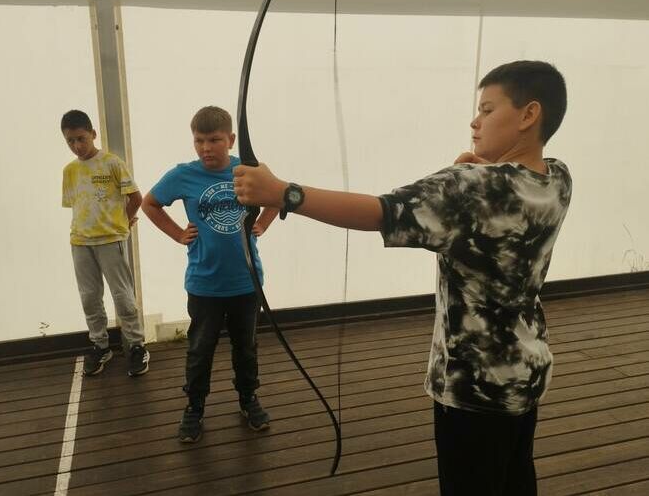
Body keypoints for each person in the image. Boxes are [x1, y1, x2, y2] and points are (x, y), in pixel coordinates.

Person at [233, 61, 571, 496]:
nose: (475, 121)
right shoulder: (558, 178)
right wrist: (480, 171)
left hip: (473, 388)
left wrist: (283, 194)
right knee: (515, 477)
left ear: (529, 115)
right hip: (526, 372)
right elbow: (502, 198)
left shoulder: (471, 186)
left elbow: (383, 212)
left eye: (487, 110)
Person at [141, 106, 279, 443]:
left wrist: (262, 223)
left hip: (246, 281)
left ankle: (248, 399)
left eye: (214, 140)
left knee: (246, 346)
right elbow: (149, 203)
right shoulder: (183, 175)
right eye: (199, 140)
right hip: (204, 284)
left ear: (230, 139)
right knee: (200, 349)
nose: (206, 148)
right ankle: (194, 407)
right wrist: (177, 234)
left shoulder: (249, 170)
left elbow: (278, 197)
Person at [61, 109, 150, 377]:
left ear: (93, 134)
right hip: (80, 242)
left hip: (111, 240)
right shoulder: (70, 171)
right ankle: (100, 345)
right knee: (89, 296)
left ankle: (136, 345)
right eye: (70, 141)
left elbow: (136, 198)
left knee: (123, 295)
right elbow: (77, 205)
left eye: (81, 138)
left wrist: (123, 221)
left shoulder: (112, 163)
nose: (77, 146)